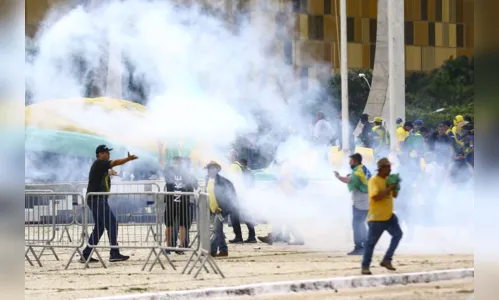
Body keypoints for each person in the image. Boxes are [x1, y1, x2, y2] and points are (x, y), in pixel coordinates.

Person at [80, 145, 138, 263]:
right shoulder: (99, 163)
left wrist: (110, 172)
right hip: (97, 199)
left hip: (96, 199)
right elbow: (115, 162)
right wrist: (128, 159)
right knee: (112, 223)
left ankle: (86, 254)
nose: (108, 154)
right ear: (100, 154)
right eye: (106, 152)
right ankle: (114, 253)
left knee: (100, 227)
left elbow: (106, 171)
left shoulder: (100, 166)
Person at [361, 158, 403, 275]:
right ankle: (365, 267)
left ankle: (387, 259)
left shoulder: (388, 180)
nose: (389, 169)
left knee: (398, 235)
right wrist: (389, 188)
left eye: (390, 167)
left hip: (389, 216)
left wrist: (396, 187)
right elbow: (375, 197)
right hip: (376, 218)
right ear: (381, 169)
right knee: (371, 244)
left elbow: (394, 195)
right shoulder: (374, 181)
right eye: (387, 167)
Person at [334, 153, 372, 255]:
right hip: (366, 199)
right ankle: (367, 243)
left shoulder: (357, 172)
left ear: (355, 161)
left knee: (357, 223)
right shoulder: (362, 168)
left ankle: (359, 247)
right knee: (361, 222)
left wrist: (338, 176)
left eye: (350, 161)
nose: (349, 163)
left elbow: (348, 180)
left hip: (361, 200)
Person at [163, 156, 198, 254]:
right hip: (175, 202)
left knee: (182, 225)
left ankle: (180, 246)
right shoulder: (171, 171)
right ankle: (172, 246)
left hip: (184, 203)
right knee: (173, 225)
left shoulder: (187, 173)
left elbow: (195, 185)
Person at [205, 161, 238, 257]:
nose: (210, 170)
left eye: (212, 168)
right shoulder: (207, 179)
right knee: (218, 230)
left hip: (221, 210)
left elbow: (229, 197)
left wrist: (221, 208)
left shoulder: (224, 182)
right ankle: (223, 250)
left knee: (216, 229)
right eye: (209, 168)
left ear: (217, 169)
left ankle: (212, 250)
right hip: (212, 209)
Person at [227, 151, 257, 244]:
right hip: (242, 193)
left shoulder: (233, 166)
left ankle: (238, 237)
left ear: (233, 157)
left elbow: (233, 182)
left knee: (235, 217)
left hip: (236, 194)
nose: (228, 158)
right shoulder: (239, 166)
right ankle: (252, 236)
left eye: (229, 156)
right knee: (246, 215)